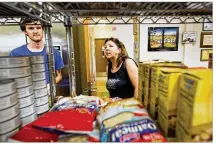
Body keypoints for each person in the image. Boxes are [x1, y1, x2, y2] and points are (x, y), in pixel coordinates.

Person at [9, 17, 64, 90]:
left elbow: (59, 76)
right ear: (25, 32)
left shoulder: (53, 52)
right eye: (31, 28)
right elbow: (12, 79)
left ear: (43, 30)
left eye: (38, 28)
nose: (35, 31)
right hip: (25, 95)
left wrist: (48, 86)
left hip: (47, 96)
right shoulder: (16, 53)